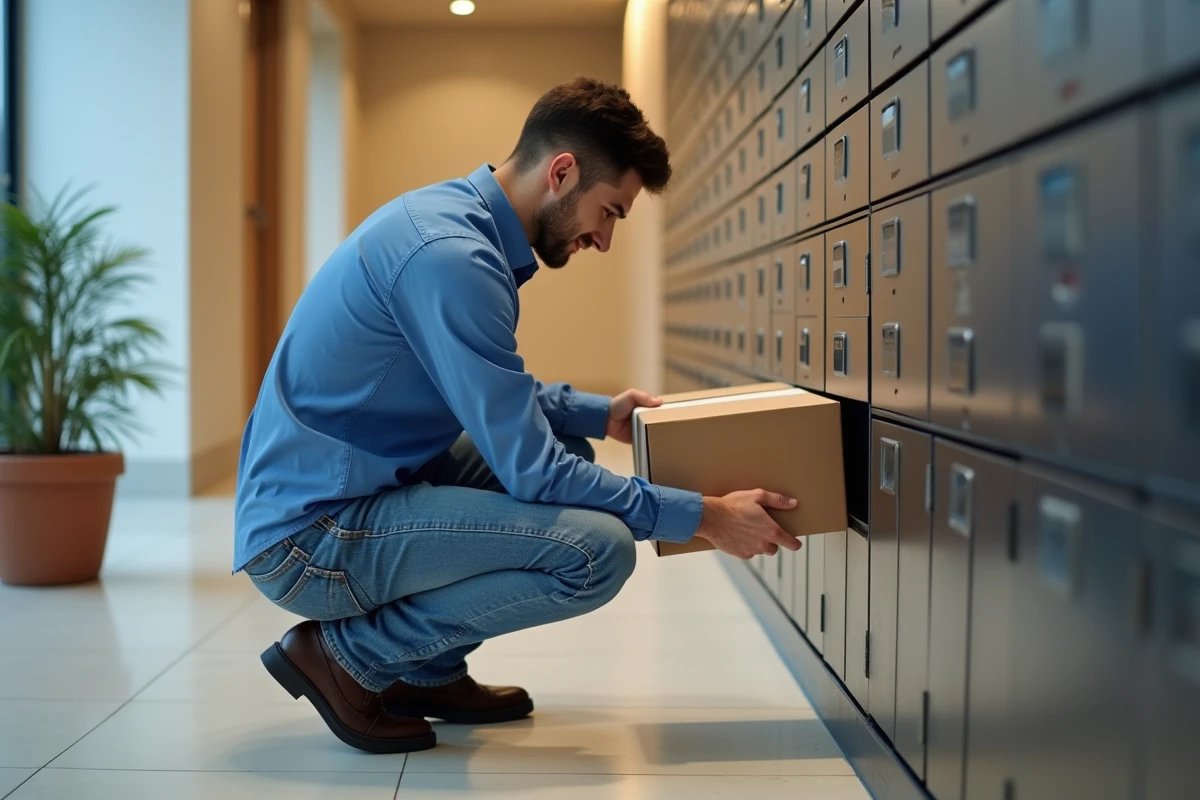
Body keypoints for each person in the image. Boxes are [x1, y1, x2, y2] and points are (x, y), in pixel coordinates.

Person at [233, 77, 801, 755]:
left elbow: (494, 392)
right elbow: (531, 470)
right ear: (562, 172)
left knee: (573, 454)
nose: (606, 238)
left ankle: (424, 669)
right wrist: (705, 516)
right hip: (310, 538)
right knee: (597, 552)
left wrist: (598, 414)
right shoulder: (453, 259)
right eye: (611, 211)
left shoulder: (456, 224)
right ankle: (350, 657)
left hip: (355, 487)